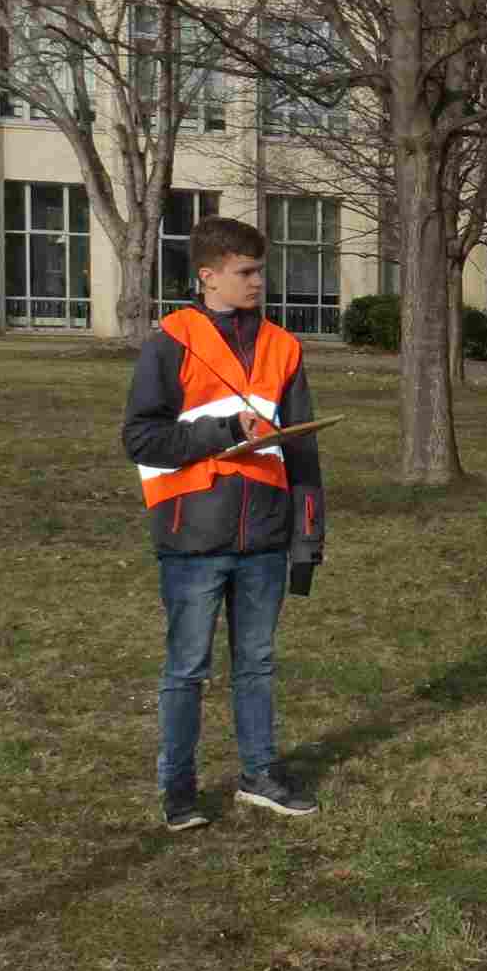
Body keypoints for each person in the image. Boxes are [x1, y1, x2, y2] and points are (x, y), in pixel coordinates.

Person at [122, 215, 327, 831]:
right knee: (187, 669)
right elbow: (140, 437)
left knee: (257, 664)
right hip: (192, 539)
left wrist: (307, 536)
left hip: (264, 538)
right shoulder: (169, 343)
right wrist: (223, 433)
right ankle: (178, 790)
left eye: (260, 270)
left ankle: (260, 774)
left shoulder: (284, 348)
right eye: (246, 272)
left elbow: (304, 455)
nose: (258, 282)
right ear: (208, 277)